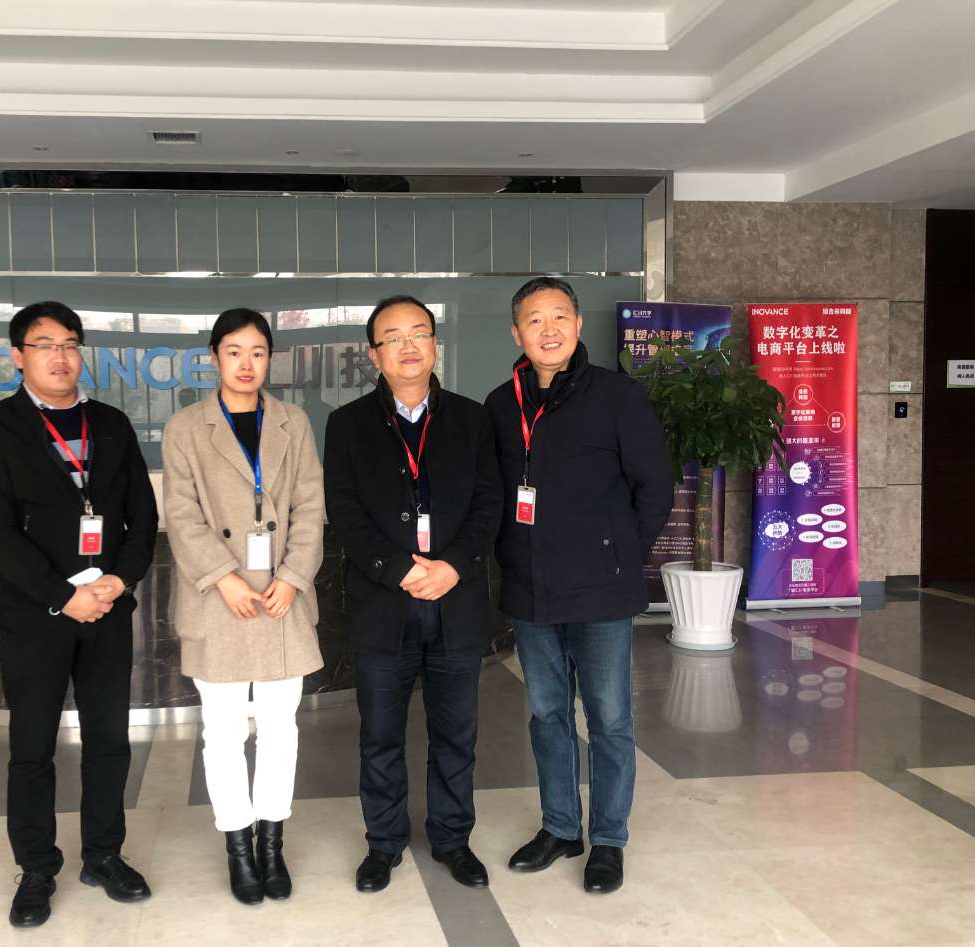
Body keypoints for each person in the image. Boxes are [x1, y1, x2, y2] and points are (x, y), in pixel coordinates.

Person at [0, 301, 159, 927]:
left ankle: (104, 854)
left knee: (108, 741)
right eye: (45, 345)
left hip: (107, 609)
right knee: (32, 746)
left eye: (70, 344)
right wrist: (63, 595)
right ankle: (36, 868)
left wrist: (119, 580)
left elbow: (142, 516)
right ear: (17, 357)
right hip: (37, 615)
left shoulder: (111, 424)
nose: (60, 356)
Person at [484, 278, 672, 894]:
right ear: (517, 332)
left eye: (559, 316)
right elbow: (493, 495)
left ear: (578, 324)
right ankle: (561, 828)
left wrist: (621, 556)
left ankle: (608, 839)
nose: (549, 329)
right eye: (535, 320)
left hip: (600, 591)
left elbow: (655, 486)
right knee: (547, 715)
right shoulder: (501, 405)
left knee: (610, 718)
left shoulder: (618, 396)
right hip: (531, 591)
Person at [324, 295, 502, 893]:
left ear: (434, 344)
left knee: (456, 734)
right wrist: (398, 569)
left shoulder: (472, 419)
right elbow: (345, 513)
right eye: (393, 337)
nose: (407, 346)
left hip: (457, 602)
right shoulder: (347, 424)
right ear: (374, 354)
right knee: (380, 736)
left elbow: (489, 504)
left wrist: (453, 566)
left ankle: (452, 838)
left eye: (418, 333)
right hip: (383, 606)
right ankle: (384, 843)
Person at [162, 308, 325, 905]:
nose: (246, 363)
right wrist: (223, 578)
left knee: (281, 730)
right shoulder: (186, 427)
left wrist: (294, 577)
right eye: (234, 352)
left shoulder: (292, 422)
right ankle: (238, 845)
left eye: (257, 352)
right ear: (214, 357)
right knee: (224, 732)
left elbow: (310, 507)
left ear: (269, 358)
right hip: (218, 600)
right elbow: (181, 514)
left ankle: (272, 845)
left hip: (282, 598)